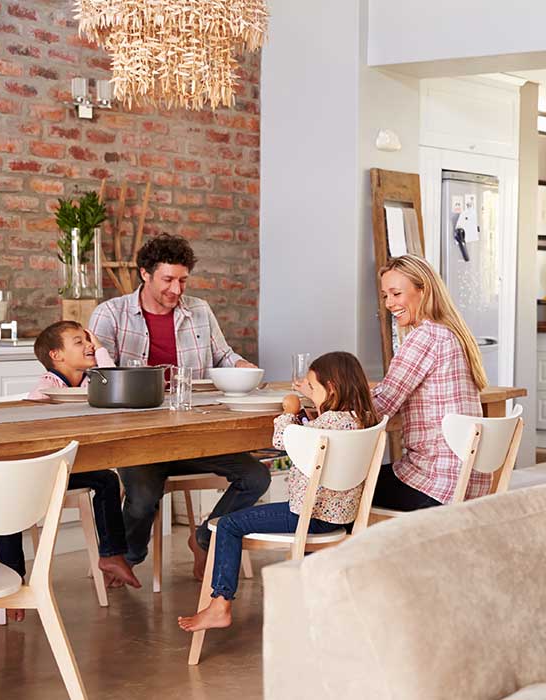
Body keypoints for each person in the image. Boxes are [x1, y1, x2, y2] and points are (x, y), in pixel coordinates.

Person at [89, 233, 271, 580]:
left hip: (194, 432)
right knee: (142, 496)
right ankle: (129, 556)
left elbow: (223, 355)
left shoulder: (199, 311)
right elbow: (97, 377)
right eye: (168, 279)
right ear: (145, 273)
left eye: (183, 280)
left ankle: (205, 538)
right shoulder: (110, 315)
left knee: (256, 476)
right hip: (141, 438)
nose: (176, 289)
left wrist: (241, 365)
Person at [177, 351, 380, 632]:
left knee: (227, 524)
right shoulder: (362, 419)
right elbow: (314, 436)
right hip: (341, 519)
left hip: (307, 517)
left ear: (331, 387)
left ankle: (220, 603)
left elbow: (283, 440)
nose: (308, 392)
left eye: (312, 387)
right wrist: (308, 415)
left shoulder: (326, 425)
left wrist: (288, 411)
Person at [0, 321, 142, 622]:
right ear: (57, 355)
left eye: (88, 340)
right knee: (8, 502)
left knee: (106, 479)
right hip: (30, 469)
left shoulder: (91, 382)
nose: (89, 345)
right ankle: (12, 582)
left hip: (62, 468)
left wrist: (100, 349)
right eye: (79, 341)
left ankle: (111, 553)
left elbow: (115, 383)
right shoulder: (45, 389)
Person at [370, 255, 488, 511]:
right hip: (465, 482)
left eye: (396, 293)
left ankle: (338, 551)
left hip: (434, 484)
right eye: (385, 296)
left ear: (423, 290)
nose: (389, 303)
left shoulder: (426, 336)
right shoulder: (452, 333)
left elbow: (380, 406)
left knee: (338, 490)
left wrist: (327, 399)